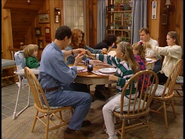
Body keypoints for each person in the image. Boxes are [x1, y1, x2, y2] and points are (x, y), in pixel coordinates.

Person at [38, 25, 92, 139]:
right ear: (66, 38)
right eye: (69, 39)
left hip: (48, 89)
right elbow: (69, 77)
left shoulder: (49, 48)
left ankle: (78, 119)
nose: (69, 42)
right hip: (51, 95)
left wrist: (73, 52)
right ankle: (70, 131)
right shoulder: (53, 55)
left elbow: (61, 54)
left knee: (79, 87)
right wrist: (76, 63)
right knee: (86, 98)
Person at [86, 41, 139, 139]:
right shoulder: (121, 62)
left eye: (117, 49)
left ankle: (112, 135)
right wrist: (92, 55)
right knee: (108, 102)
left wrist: (117, 79)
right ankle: (111, 126)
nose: (115, 50)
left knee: (106, 108)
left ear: (122, 54)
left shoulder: (127, 67)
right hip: (124, 94)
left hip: (128, 95)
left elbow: (131, 84)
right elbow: (108, 58)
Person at [65, 28, 107, 99]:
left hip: (83, 68)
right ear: (74, 37)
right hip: (72, 69)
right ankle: (84, 96)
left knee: (101, 71)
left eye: (81, 37)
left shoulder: (83, 46)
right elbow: (78, 56)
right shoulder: (69, 48)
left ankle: (97, 91)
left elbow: (92, 51)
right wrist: (87, 54)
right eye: (79, 37)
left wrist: (101, 51)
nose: (81, 38)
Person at [93, 34, 117, 99]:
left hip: (95, 60)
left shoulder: (103, 44)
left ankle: (101, 86)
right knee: (105, 70)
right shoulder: (104, 46)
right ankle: (98, 89)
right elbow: (104, 56)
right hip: (94, 61)